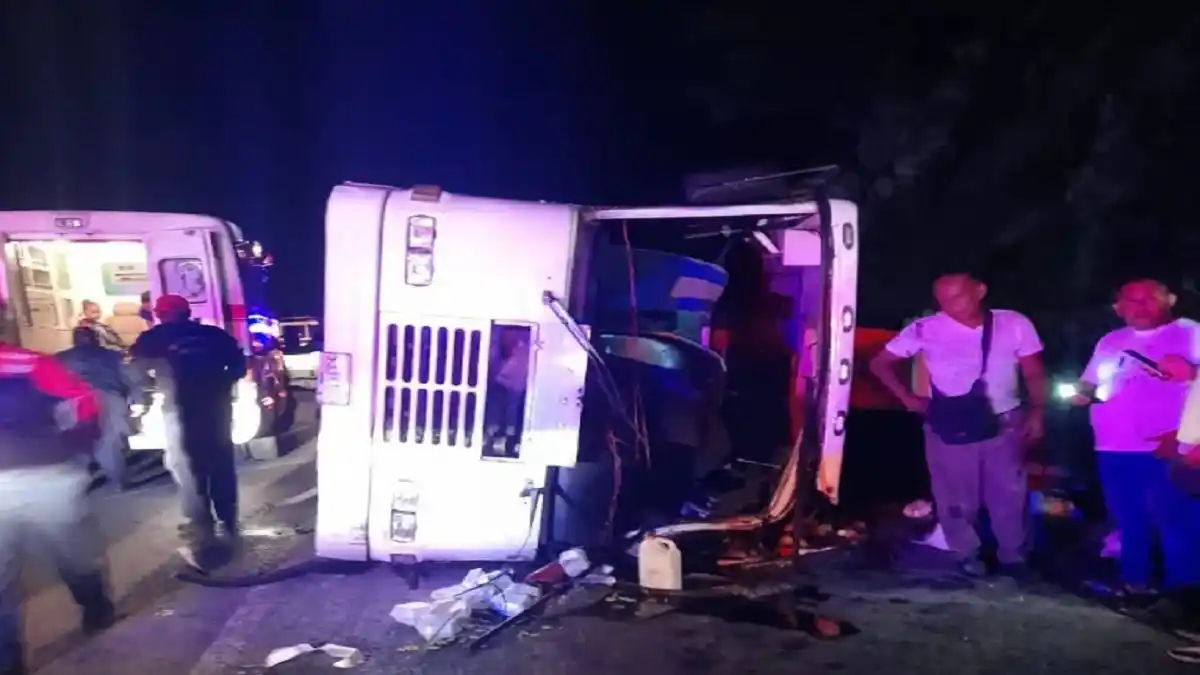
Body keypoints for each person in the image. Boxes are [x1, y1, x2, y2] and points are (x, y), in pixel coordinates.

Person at [869, 273, 1047, 577]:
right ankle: (966, 552)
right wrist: (908, 398)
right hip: (949, 422)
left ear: (980, 290)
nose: (950, 306)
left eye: (957, 297)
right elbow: (879, 363)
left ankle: (1014, 556)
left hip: (1003, 419)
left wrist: (1037, 412)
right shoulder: (925, 328)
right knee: (954, 493)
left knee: (1009, 491)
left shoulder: (1013, 322)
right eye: (942, 300)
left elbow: (1033, 372)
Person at [1067, 279, 1200, 613]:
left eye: (1149, 300)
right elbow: (1091, 380)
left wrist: (1193, 371)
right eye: (1131, 301)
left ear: (1169, 300)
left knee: (1176, 520)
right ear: (1118, 307)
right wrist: (1081, 391)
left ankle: (1183, 595)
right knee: (1128, 518)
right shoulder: (1111, 340)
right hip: (1113, 445)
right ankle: (1135, 585)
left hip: (1169, 446)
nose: (1140, 308)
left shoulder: (1190, 332)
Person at [0, 335, 115, 675]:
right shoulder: (30, 362)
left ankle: (7, 662)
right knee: (76, 556)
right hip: (47, 475)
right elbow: (83, 402)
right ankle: (98, 615)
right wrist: (75, 448)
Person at [129, 294, 247, 570]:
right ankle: (229, 520)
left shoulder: (153, 338)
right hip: (217, 410)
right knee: (221, 464)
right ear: (188, 311)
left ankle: (202, 529)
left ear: (159, 313)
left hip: (180, 410)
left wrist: (144, 396)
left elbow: (136, 372)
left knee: (187, 468)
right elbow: (239, 365)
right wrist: (221, 385)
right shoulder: (213, 335)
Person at [56, 326, 137, 490]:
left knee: (77, 440)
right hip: (109, 396)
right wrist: (134, 399)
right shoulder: (113, 356)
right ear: (96, 339)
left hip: (73, 401)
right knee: (109, 441)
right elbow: (129, 379)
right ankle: (118, 481)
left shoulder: (60, 358)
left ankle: (79, 483)